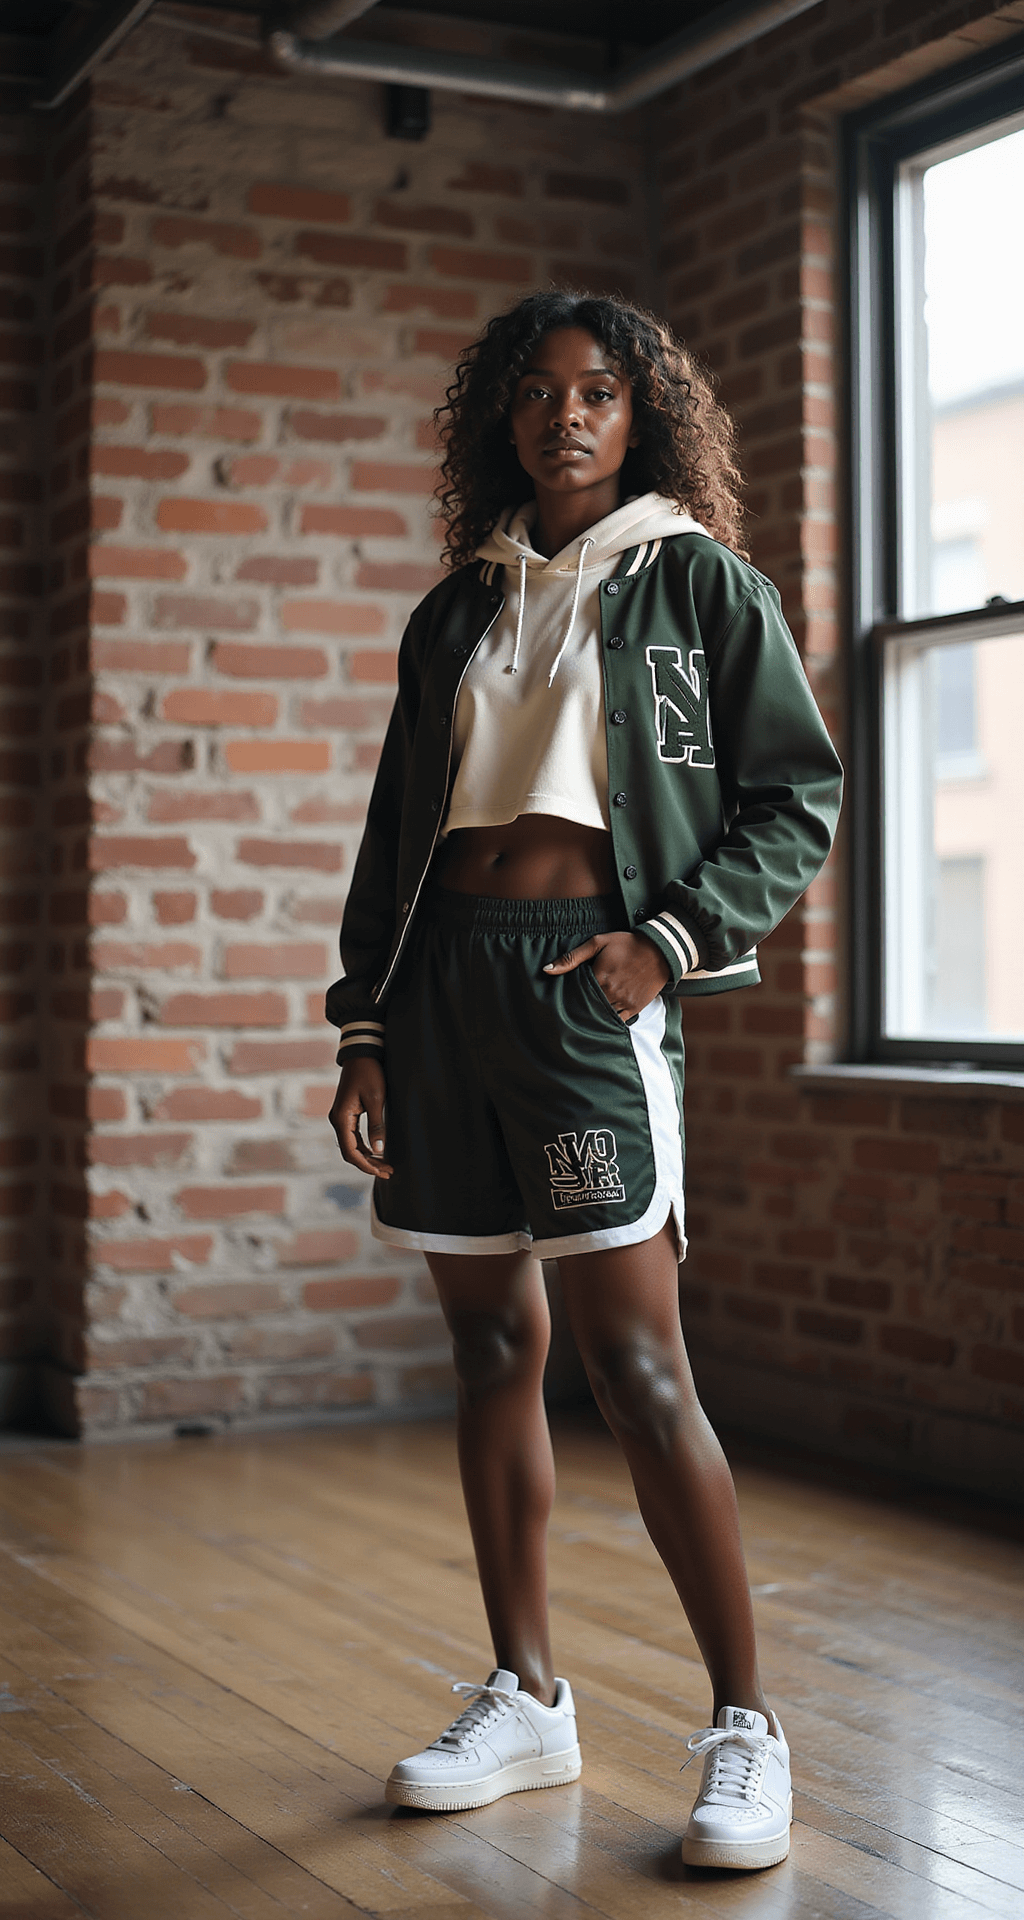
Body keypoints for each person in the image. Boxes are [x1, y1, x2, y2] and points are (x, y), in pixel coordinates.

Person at [326, 290, 842, 1872]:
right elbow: (391, 835)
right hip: (443, 997)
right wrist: (363, 1026)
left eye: (600, 392)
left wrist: (665, 949)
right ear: (506, 416)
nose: (567, 414)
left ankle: (748, 1726)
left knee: (640, 1369)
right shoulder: (454, 613)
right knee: (490, 1343)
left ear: (641, 416)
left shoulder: (702, 588)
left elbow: (796, 802)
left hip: (585, 985)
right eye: (541, 392)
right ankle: (528, 1693)